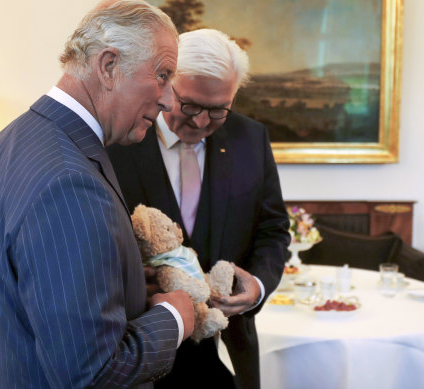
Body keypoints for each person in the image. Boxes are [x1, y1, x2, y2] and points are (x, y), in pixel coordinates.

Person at [0, 1, 196, 387]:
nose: (170, 100)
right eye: (163, 75)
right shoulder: (71, 181)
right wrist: (175, 318)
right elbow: (93, 371)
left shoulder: (7, 142)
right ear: (108, 66)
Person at [107, 28, 291, 389]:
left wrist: (256, 286)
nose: (202, 122)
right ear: (165, 81)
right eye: (189, 105)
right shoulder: (117, 138)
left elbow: (273, 230)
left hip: (229, 355)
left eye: (219, 110)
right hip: (140, 353)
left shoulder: (251, 139)